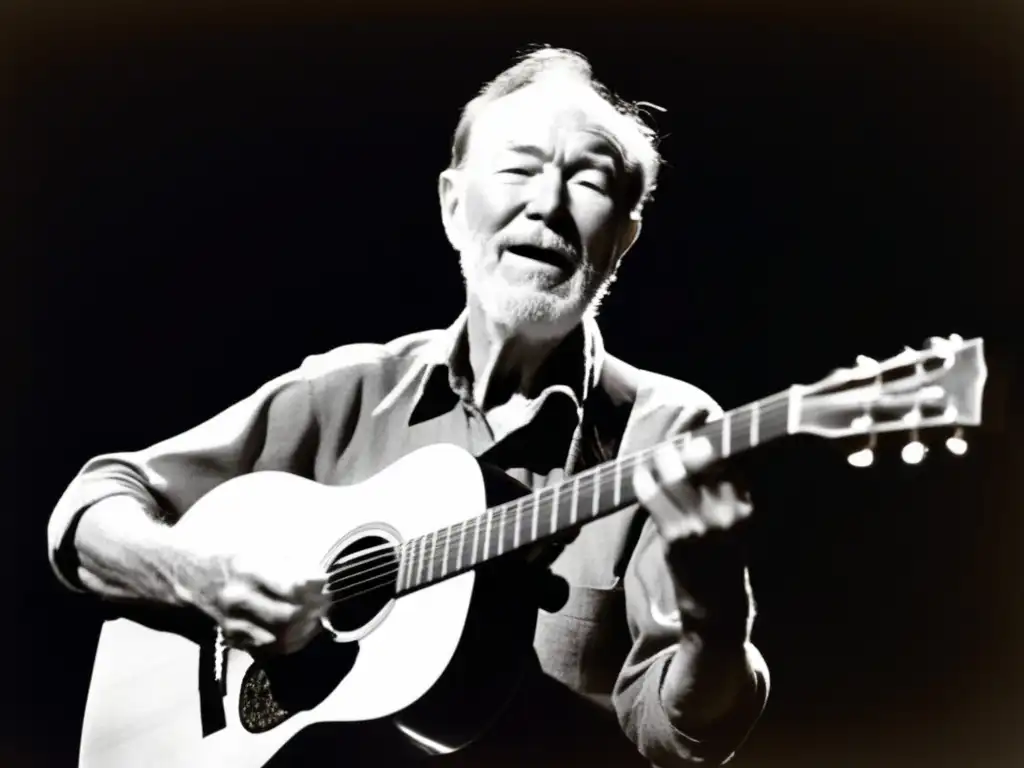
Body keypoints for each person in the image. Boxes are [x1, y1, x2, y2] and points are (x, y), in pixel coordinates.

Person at [47, 46, 769, 767]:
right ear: (454, 208)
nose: (547, 204)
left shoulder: (669, 432)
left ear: (624, 240)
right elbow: (90, 510)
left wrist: (716, 619)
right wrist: (201, 576)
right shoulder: (350, 389)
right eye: (519, 167)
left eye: (588, 179)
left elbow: (676, 735)